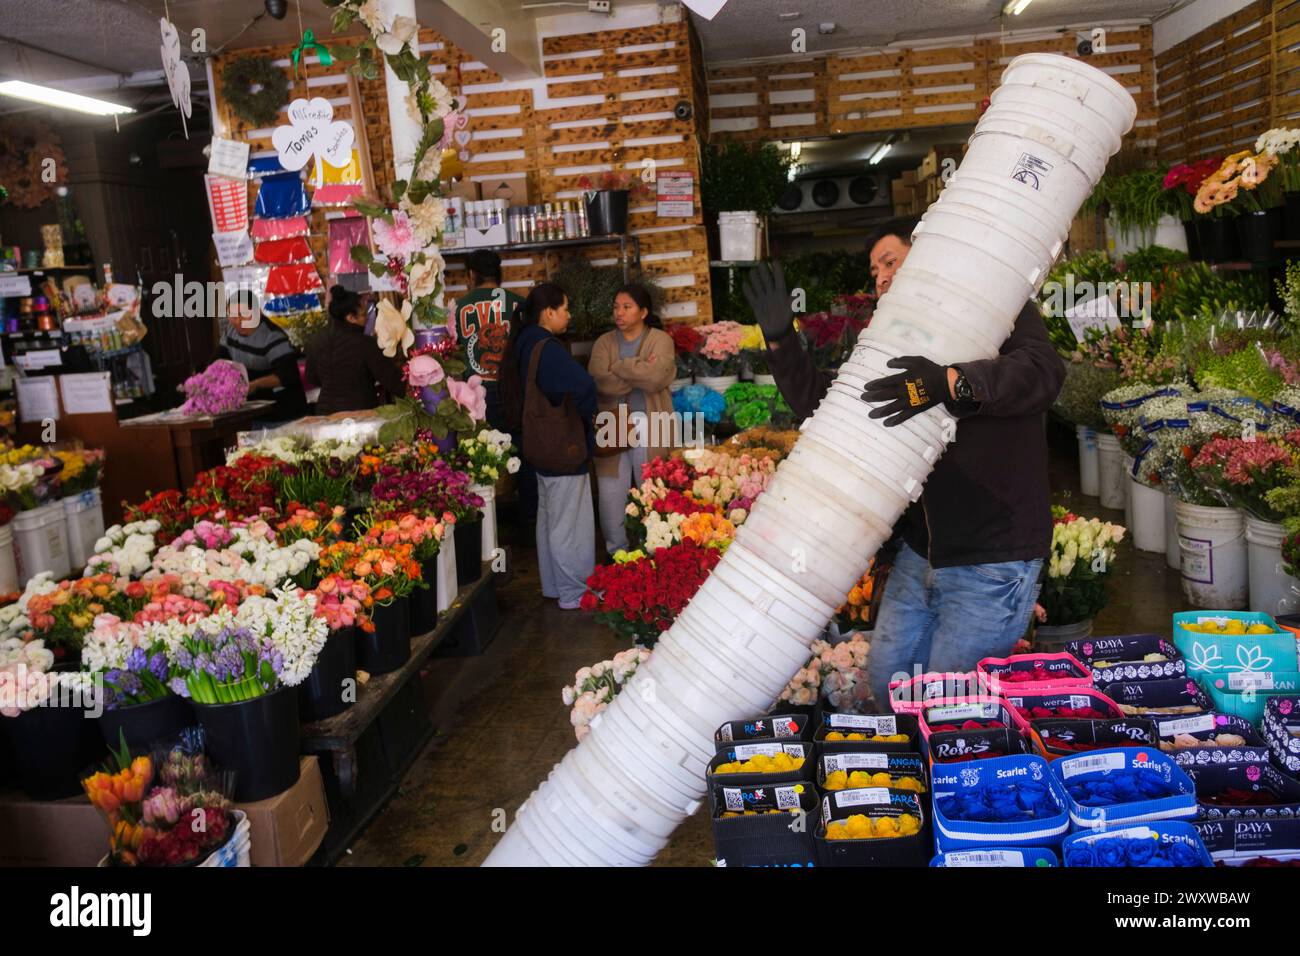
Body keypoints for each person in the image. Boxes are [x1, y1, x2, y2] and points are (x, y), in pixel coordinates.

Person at [743, 215, 1066, 706]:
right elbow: (829, 405)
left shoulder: (994, 306)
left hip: (991, 556)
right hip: (922, 551)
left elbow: (1042, 373)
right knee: (890, 685)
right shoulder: (892, 339)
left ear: (926, 253)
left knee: (950, 709)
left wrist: (949, 381)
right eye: (874, 270)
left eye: (889, 261)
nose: (880, 276)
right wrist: (781, 341)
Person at [499, 282, 597, 609]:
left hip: (539, 447)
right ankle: (575, 593)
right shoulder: (548, 347)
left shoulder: (524, 342)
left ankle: (555, 587)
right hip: (562, 448)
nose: (569, 315)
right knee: (570, 524)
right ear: (548, 312)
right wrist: (583, 419)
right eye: (566, 309)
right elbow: (583, 385)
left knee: (550, 520)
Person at [588, 284, 677, 555]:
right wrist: (639, 367)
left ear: (643, 312)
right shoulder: (604, 343)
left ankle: (655, 550)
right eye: (616, 306)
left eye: (626, 307)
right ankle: (618, 553)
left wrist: (620, 367)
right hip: (612, 423)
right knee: (611, 493)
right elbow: (599, 381)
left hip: (653, 421)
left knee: (652, 489)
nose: (619, 312)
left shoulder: (660, 340)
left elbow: (655, 378)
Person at [455, 249, 536, 528]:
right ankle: (529, 523)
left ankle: (488, 529)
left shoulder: (458, 307)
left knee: (482, 460)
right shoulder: (518, 304)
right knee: (523, 455)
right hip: (513, 391)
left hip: (476, 397)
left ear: (470, 275)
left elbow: (454, 354)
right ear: (499, 273)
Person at [305, 285, 406, 415]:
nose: (366, 319)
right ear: (351, 317)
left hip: (326, 415)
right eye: (364, 315)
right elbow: (392, 381)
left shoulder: (316, 341)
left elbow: (311, 378)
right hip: (360, 415)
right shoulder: (365, 344)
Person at [216, 289, 307, 423]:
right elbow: (219, 359)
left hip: (284, 412)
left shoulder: (272, 336)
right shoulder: (230, 331)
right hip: (253, 412)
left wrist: (255, 385)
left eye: (243, 315)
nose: (238, 321)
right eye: (233, 316)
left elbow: (287, 374)